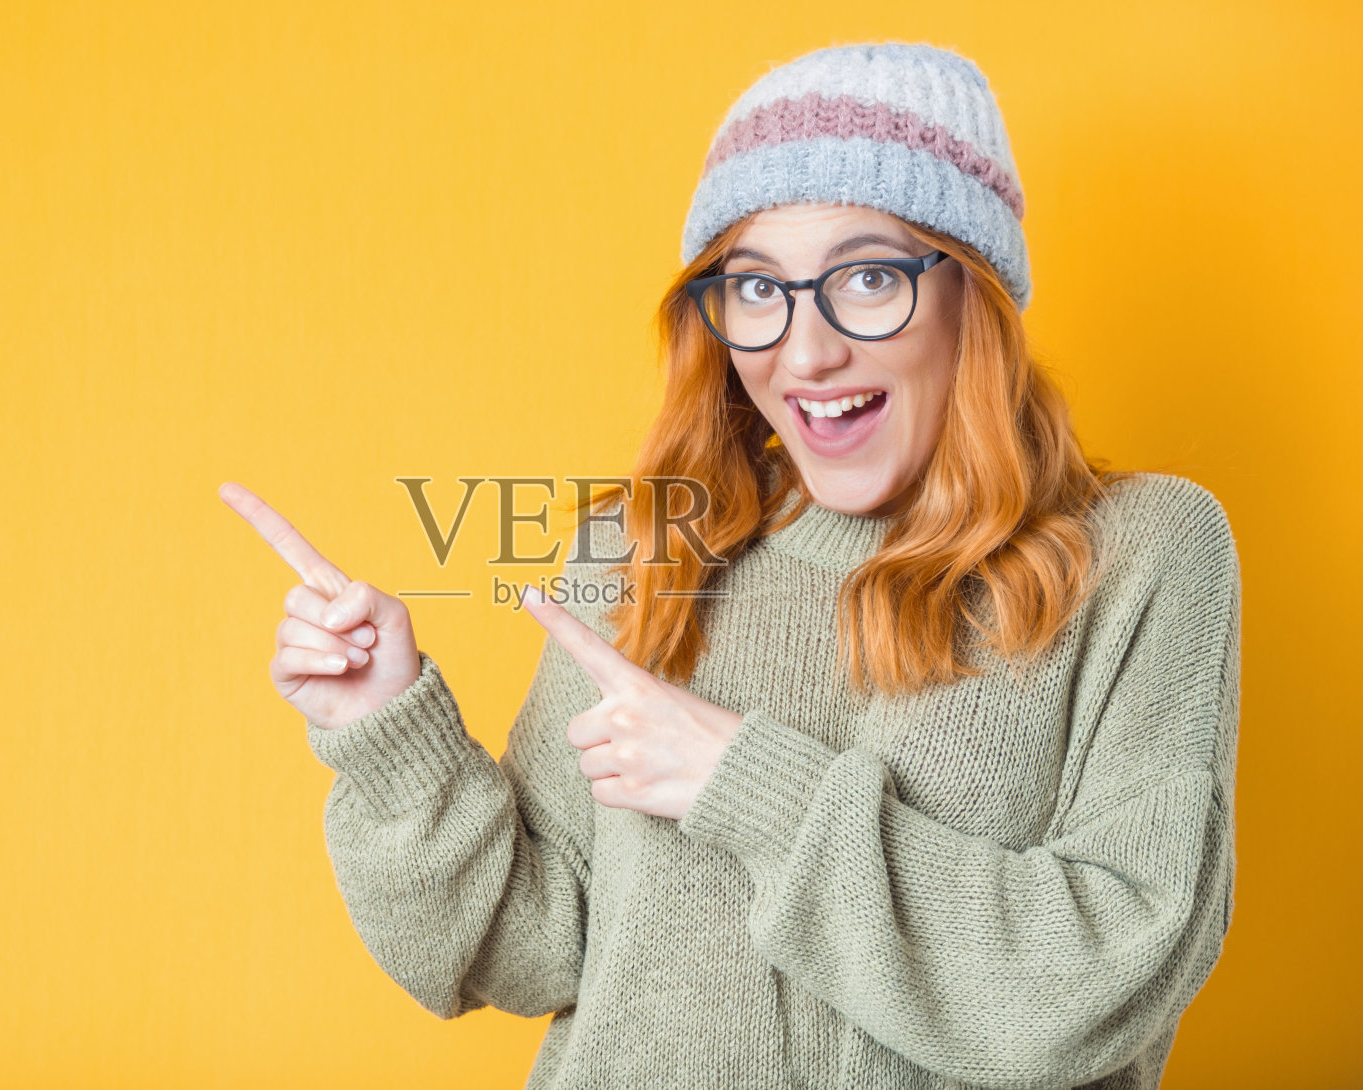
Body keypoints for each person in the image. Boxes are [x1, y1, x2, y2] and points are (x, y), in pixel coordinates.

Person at [220, 40, 1239, 1090]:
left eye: (870, 277)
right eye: (757, 289)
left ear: (971, 296)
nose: (804, 353)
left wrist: (739, 782)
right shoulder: (640, 549)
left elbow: (1101, 978)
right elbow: (527, 949)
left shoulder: (1143, 553)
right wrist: (389, 736)